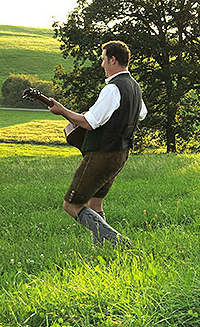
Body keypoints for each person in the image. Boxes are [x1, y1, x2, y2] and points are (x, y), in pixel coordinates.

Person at [48, 40, 147, 247]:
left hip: (102, 154)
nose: (102, 65)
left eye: (103, 59)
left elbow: (89, 122)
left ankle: (117, 241)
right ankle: (100, 249)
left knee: (71, 205)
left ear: (113, 59)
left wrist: (62, 111)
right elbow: (141, 114)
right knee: (95, 202)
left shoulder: (112, 89)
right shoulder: (134, 86)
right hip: (121, 153)